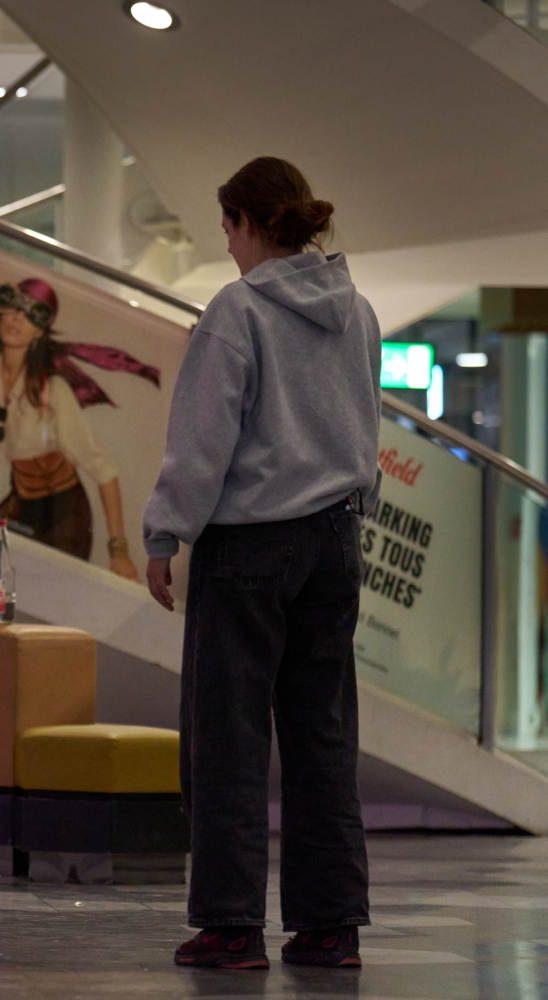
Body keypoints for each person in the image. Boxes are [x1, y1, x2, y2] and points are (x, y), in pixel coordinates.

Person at [142, 157, 380, 970]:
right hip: (335, 539)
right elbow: (365, 423)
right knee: (323, 737)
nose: (228, 245)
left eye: (227, 227)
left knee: (228, 740)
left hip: (248, 546)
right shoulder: (358, 311)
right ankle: (330, 925)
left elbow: (203, 439)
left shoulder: (237, 311)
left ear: (249, 223)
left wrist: (166, 532)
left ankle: (232, 926)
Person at [0, 278, 158, 580]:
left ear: (39, 331)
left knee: (54, 595)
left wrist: (119, 553)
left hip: (63, 514)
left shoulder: (52, 391)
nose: (17, 318)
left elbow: (103, 468)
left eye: (32, 315)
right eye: (13, 308)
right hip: (21, 501)